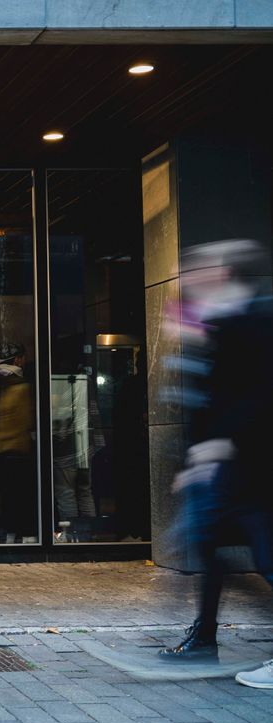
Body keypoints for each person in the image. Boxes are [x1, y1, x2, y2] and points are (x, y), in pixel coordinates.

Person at [158, 241, 273, 686]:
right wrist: (197, 456)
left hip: (251, 464)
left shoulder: (254, 321)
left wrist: (222, 443)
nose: (187, 275)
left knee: (262, 552)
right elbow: (211, 399)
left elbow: (256, 395)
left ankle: (205, 637)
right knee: (213, 546)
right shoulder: (220, 323)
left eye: (198, 267)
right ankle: (204, 636)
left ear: (222, 273)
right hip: (226, 465)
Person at [0, 342, 35, 543]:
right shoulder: (21, 386)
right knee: (17, 496)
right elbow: (25, 420)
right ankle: (16, 534)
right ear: (18, 360)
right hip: (15, 447)